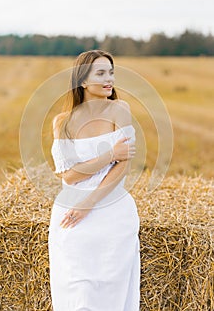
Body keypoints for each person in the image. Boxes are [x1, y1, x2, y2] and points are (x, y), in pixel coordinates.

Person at [48, 49, 140, 310]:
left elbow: (122, 166)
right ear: (83, 81)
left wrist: (89, 203)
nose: (109, 78)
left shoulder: (120, 110)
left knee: (110, 290)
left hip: (112, 210)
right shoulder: (62, 122)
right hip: (70, 212)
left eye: (111, 72)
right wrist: (109, 154)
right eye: (100, 73)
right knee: (78, 291)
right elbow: (69, 175)